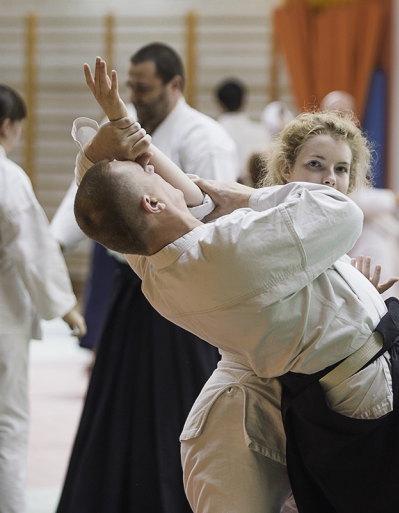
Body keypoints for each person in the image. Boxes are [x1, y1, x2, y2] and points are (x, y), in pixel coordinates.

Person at [72, 59, 399, 513]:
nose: (154, 170)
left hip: (354, 375)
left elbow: (126, 205)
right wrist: (248, 196)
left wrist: (104, 141)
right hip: (370, 384)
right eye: (147, 174)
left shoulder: (154, 267)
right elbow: (342, 213)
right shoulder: (228, 250)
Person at [54, 45, 238, 513]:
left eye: (143, 87)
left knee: (178, 411)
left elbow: (208, 213)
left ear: (174, 84)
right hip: (132, 292)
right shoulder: (128, 127)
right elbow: (90, 184)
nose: (135, 94)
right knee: (117, 410)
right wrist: (55, 243)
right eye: (131, 87)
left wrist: (120, 122)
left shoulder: (205, 137)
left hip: (185, 297)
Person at [0, 84, 87, 513]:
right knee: (7, 426)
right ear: (7, 126)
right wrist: (66, 308)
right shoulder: (8, 178)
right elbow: (31, 247)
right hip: (2, 319)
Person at [319, 90, 399, 315]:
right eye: (335, 112)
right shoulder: (321, 148)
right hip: (350, 231)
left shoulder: (350, 144)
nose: (340, 117)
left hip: (367, 227)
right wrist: (393, 198)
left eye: (345, 112)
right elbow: (349, 197)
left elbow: (357, 190)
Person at [215, 78, 271, 184]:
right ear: (244, 102)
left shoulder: (213, 133)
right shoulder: (261, 132)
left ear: (219, 104)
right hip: (255, 189)